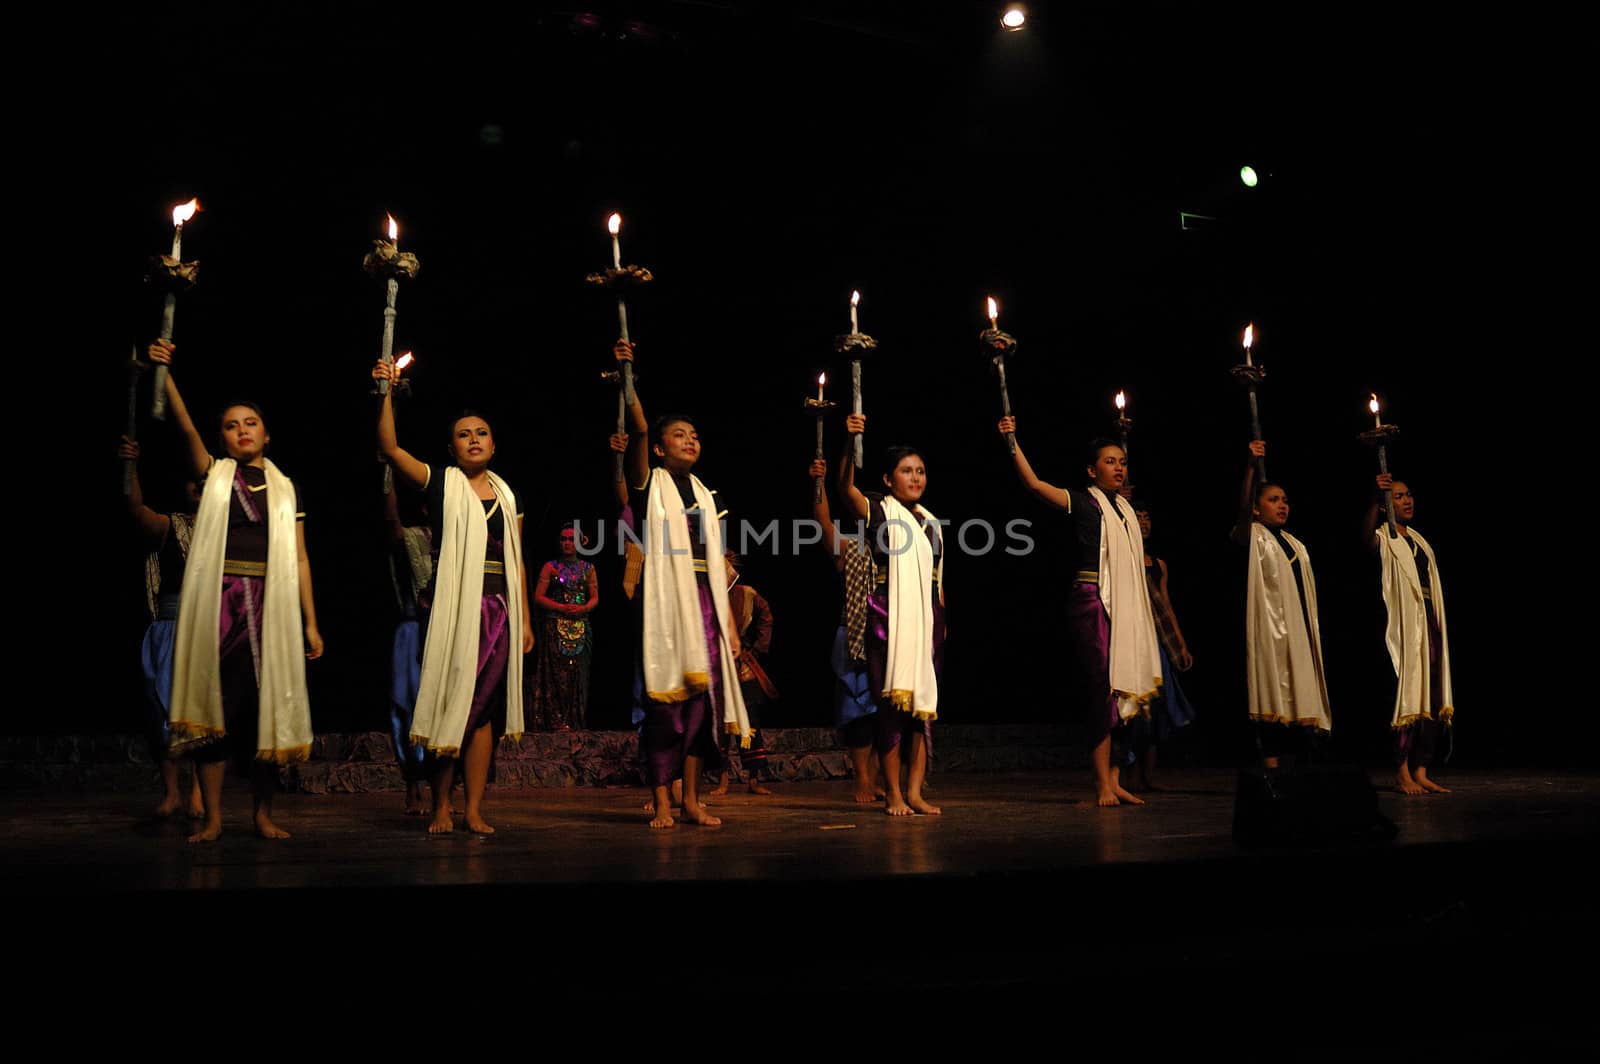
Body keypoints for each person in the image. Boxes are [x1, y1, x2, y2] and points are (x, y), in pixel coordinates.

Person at [153, 340, 323, 843]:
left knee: (263, 717)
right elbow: (184, 428)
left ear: (267, 434)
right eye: (231, 425)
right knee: (216, 712)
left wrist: (310, 621)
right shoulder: (215, 476)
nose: (242, 430)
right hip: (222, 604)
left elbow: (300, 558)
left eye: (250, 422)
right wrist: (166, 375)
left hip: (271, 608)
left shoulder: (285, 487)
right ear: (222, 438)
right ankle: (213, 819)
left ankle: (263, 815)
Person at [374, 358, 532, 835]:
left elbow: (516, 558)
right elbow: (388, 447)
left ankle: (475, 808)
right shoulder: (442, 482)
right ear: (451, 447)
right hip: (453, 609)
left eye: (481, 432)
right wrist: (385, 390)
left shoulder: (508, 495)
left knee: (483, 711)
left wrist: (523, 620)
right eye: (464, 434)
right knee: (452, 704)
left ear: (494, 443)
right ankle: (442, 805)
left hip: (498, 610)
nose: (474, 439)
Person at [616, 339, 749, 828]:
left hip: (706, 607)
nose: (690, 440)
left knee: (699, 709)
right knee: (664, 709)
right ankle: (664, 801)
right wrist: (629, 378)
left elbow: (715, 564)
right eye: (678, 435)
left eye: (694, 435)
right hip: (666, 607)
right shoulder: (649, 482)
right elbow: (638, 430)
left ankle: (692, 800)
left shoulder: (706, 497)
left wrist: (730, 627)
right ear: (658, 447)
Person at [997, 415, 1161, 807]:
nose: (1118, 467)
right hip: (1091, 598)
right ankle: (1102, 782)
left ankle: (1117, 779)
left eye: (1121, 461)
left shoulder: (1126, 509)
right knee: (1104, 686)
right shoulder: (1086, 502)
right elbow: (1036, 485)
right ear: (1091, 470)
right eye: (1109, 461)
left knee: (1125, 685)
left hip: (1124, 602)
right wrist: (1011, 441)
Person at [837, 413, 944, 816]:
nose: (915, 478)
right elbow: (843, 487)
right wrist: (849, 445)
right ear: (888, 479)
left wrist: (940, 624)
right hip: (887, 615)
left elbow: (938, 580)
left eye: (920, 471)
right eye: (905, 471)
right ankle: (894, 793)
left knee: (922, 710)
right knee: (891, 708)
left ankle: (916, 792)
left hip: (928, 620)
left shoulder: (932, 523)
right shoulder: (878, 511)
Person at [1229, 440, 1331, 768]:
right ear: (1257, 508)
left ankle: (1300, 767)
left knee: (1299, 694)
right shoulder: (1252, 535)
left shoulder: (1294, 544)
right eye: (1273, 500)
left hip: (1295, 633)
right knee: (1270, 694)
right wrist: (1249, 466)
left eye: (1285, 500)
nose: (1282, 505)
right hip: (1268, 632)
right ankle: (1269, 768)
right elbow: (1243, 511)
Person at [120, 435, 204, 820]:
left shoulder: (231, 535)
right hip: (171, 629)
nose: (200, 493)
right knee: (163, 714)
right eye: (195, 487)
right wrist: (130, 464)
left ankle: (202, 793)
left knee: (205, 718)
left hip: (209, 631)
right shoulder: (172, 527)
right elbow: (134, 508)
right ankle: (172, 791)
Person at [1365, 473, 1453, 795]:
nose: (1407, 500)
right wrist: (1376, 499)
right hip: (1406, 627)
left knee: (1431, 695)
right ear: (1388, 506)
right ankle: (1402, 771)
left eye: (1408, 494)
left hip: (1429, 622)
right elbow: (1365, 539)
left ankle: (1422, 769)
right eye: (1399, 496)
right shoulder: (1385, 539)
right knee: (1407, 695)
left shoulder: (1420, 541)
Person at [811, 457, 881, 803]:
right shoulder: (849, 547)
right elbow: (822, 521)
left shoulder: (897, 549)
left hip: (889, 636)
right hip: (854, 636)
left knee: (887, 712)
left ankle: (884, 778)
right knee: (858, 713)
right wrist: (819, 483)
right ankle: (863, 779)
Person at [1128, 503, 1197, 788]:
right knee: (1136, 706)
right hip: (1135, 639)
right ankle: (1129, 776)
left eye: (1147, 517)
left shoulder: (1159, 564)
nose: (1144, 522)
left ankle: (1149, 777)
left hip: (1159, 642)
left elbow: (1166, 606)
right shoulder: (1126, 560)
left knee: (1158, 707)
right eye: (1138, 517)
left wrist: (1181, 645)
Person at [381, 454, 432, 814]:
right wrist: (387, 469)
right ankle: (413, 784)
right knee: (407, 708)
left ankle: (443, 789)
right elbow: (391, 520)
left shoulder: (454, 541)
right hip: (412, 632)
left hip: (444, 631)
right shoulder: (411, 539)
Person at [710, 551, 779, 796]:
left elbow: (766, 616)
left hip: (743, 667)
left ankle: (753, 780)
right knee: (721, 725)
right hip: (718, 666)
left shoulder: (746, 594)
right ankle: (723, 780)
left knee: (750, 723)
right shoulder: (708, 597)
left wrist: (756, 649)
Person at [531, 525, 599, 731]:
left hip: (581, 626)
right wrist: (561, 607)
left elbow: (595, 597)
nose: (567, 543)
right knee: (556, 675)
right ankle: (555, 721)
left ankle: (576, 721)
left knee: (578, 674)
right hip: (555, 626)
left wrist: (584, 608)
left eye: (571, 539)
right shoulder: (550, 567)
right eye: (563, 539)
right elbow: (538, 597)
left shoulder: (588, 568)